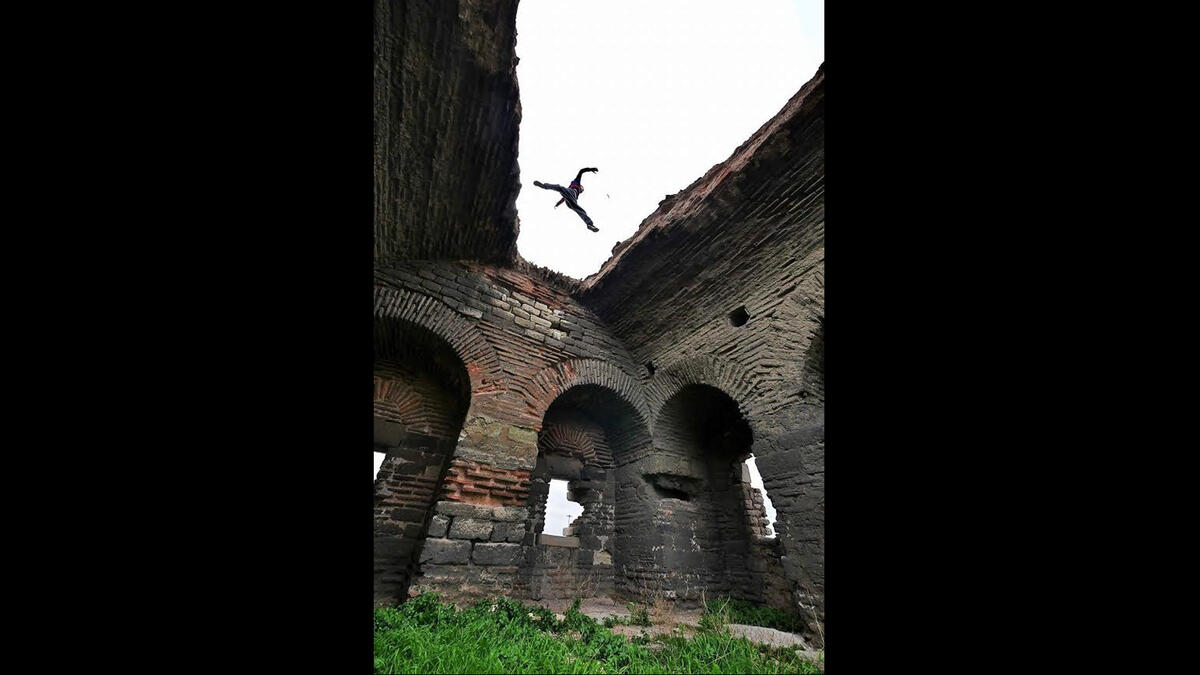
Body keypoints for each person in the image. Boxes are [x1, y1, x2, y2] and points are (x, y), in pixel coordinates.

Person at [533, 167, 599, 231]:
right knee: (559, 187)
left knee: (581, 211)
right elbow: (581, 171)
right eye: (582, 189)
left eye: (582, 191)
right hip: (570, 193)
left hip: (571, 201)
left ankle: (589, 224)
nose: (581, 190)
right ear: (580, 186)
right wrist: (590, 169)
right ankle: (543, 185)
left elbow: (563, 199)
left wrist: (557, 204)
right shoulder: (576, 182)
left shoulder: (577, 194)